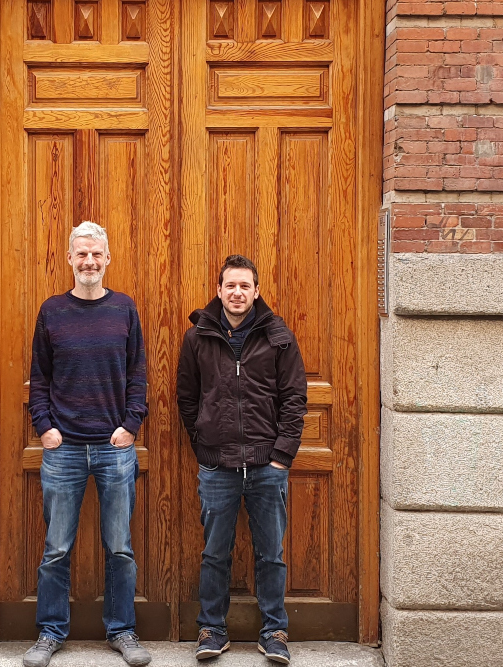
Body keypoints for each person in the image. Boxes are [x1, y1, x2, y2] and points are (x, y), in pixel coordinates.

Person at [24, 221, 151, 667]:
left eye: (96, 254)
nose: (89, 262)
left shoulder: (124, 309)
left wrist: (132, 424)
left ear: (108, 258)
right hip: (64, 450)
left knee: (119, 547)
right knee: (57, 547)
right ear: (70, 259)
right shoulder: (52, 311)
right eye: (82, 254)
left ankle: (122, 631)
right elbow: (38, 378)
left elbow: (138, 375)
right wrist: (45, 427)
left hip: (115, 447)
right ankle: (50, 633)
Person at [176, 254, 307, 665]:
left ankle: (274, 631)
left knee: (271, 553)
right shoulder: (198, 335)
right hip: (218, 467)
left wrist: (282, 456)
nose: (237, 293)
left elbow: (294, 399)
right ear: (219, 290)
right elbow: (186, 397)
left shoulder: (278, 335)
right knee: (215, 553)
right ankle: (211, 629)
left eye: (244, 286)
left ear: (256, 291)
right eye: (230, 286)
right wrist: (203, 444)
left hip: (268, 467)